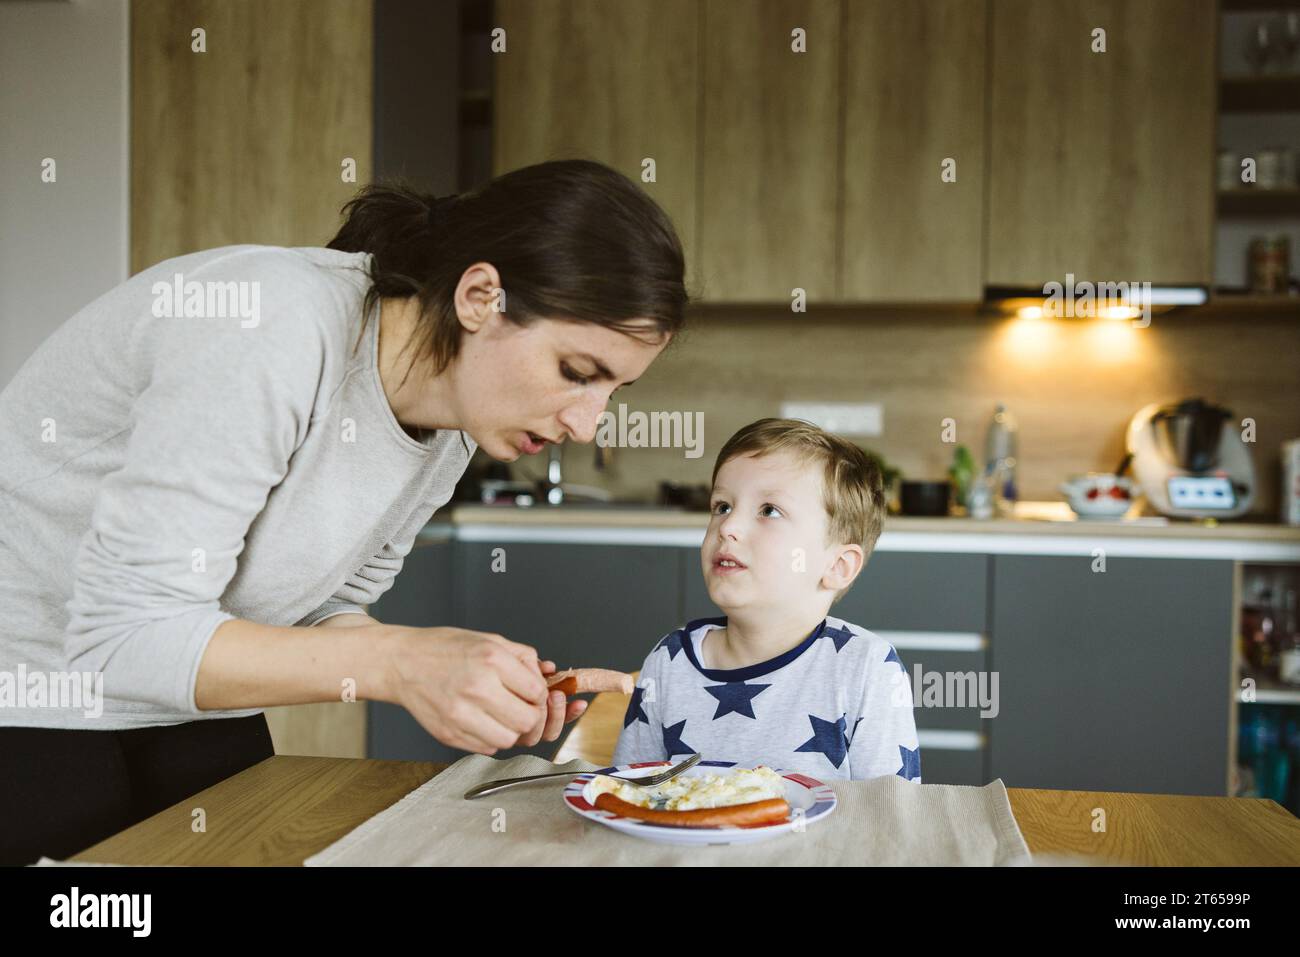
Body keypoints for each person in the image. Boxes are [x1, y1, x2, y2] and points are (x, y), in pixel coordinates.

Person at [0, 159, 689, 863]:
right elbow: (123, 635)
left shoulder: (448, 428)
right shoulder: (269, 325)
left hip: (181, 695)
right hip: (29, 686)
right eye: (577, 373)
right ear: (481, 296)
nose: (587, 424)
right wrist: (400, 661)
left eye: (615, 391)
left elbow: (319, 609)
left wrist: (470, 676)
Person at [612, 418, 921, 781]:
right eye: (722, 506)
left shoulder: (867, 669)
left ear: (837, 565)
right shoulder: (669, 662)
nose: (727, 527)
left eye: (769, 510)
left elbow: (892, 820)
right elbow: (629, 795)